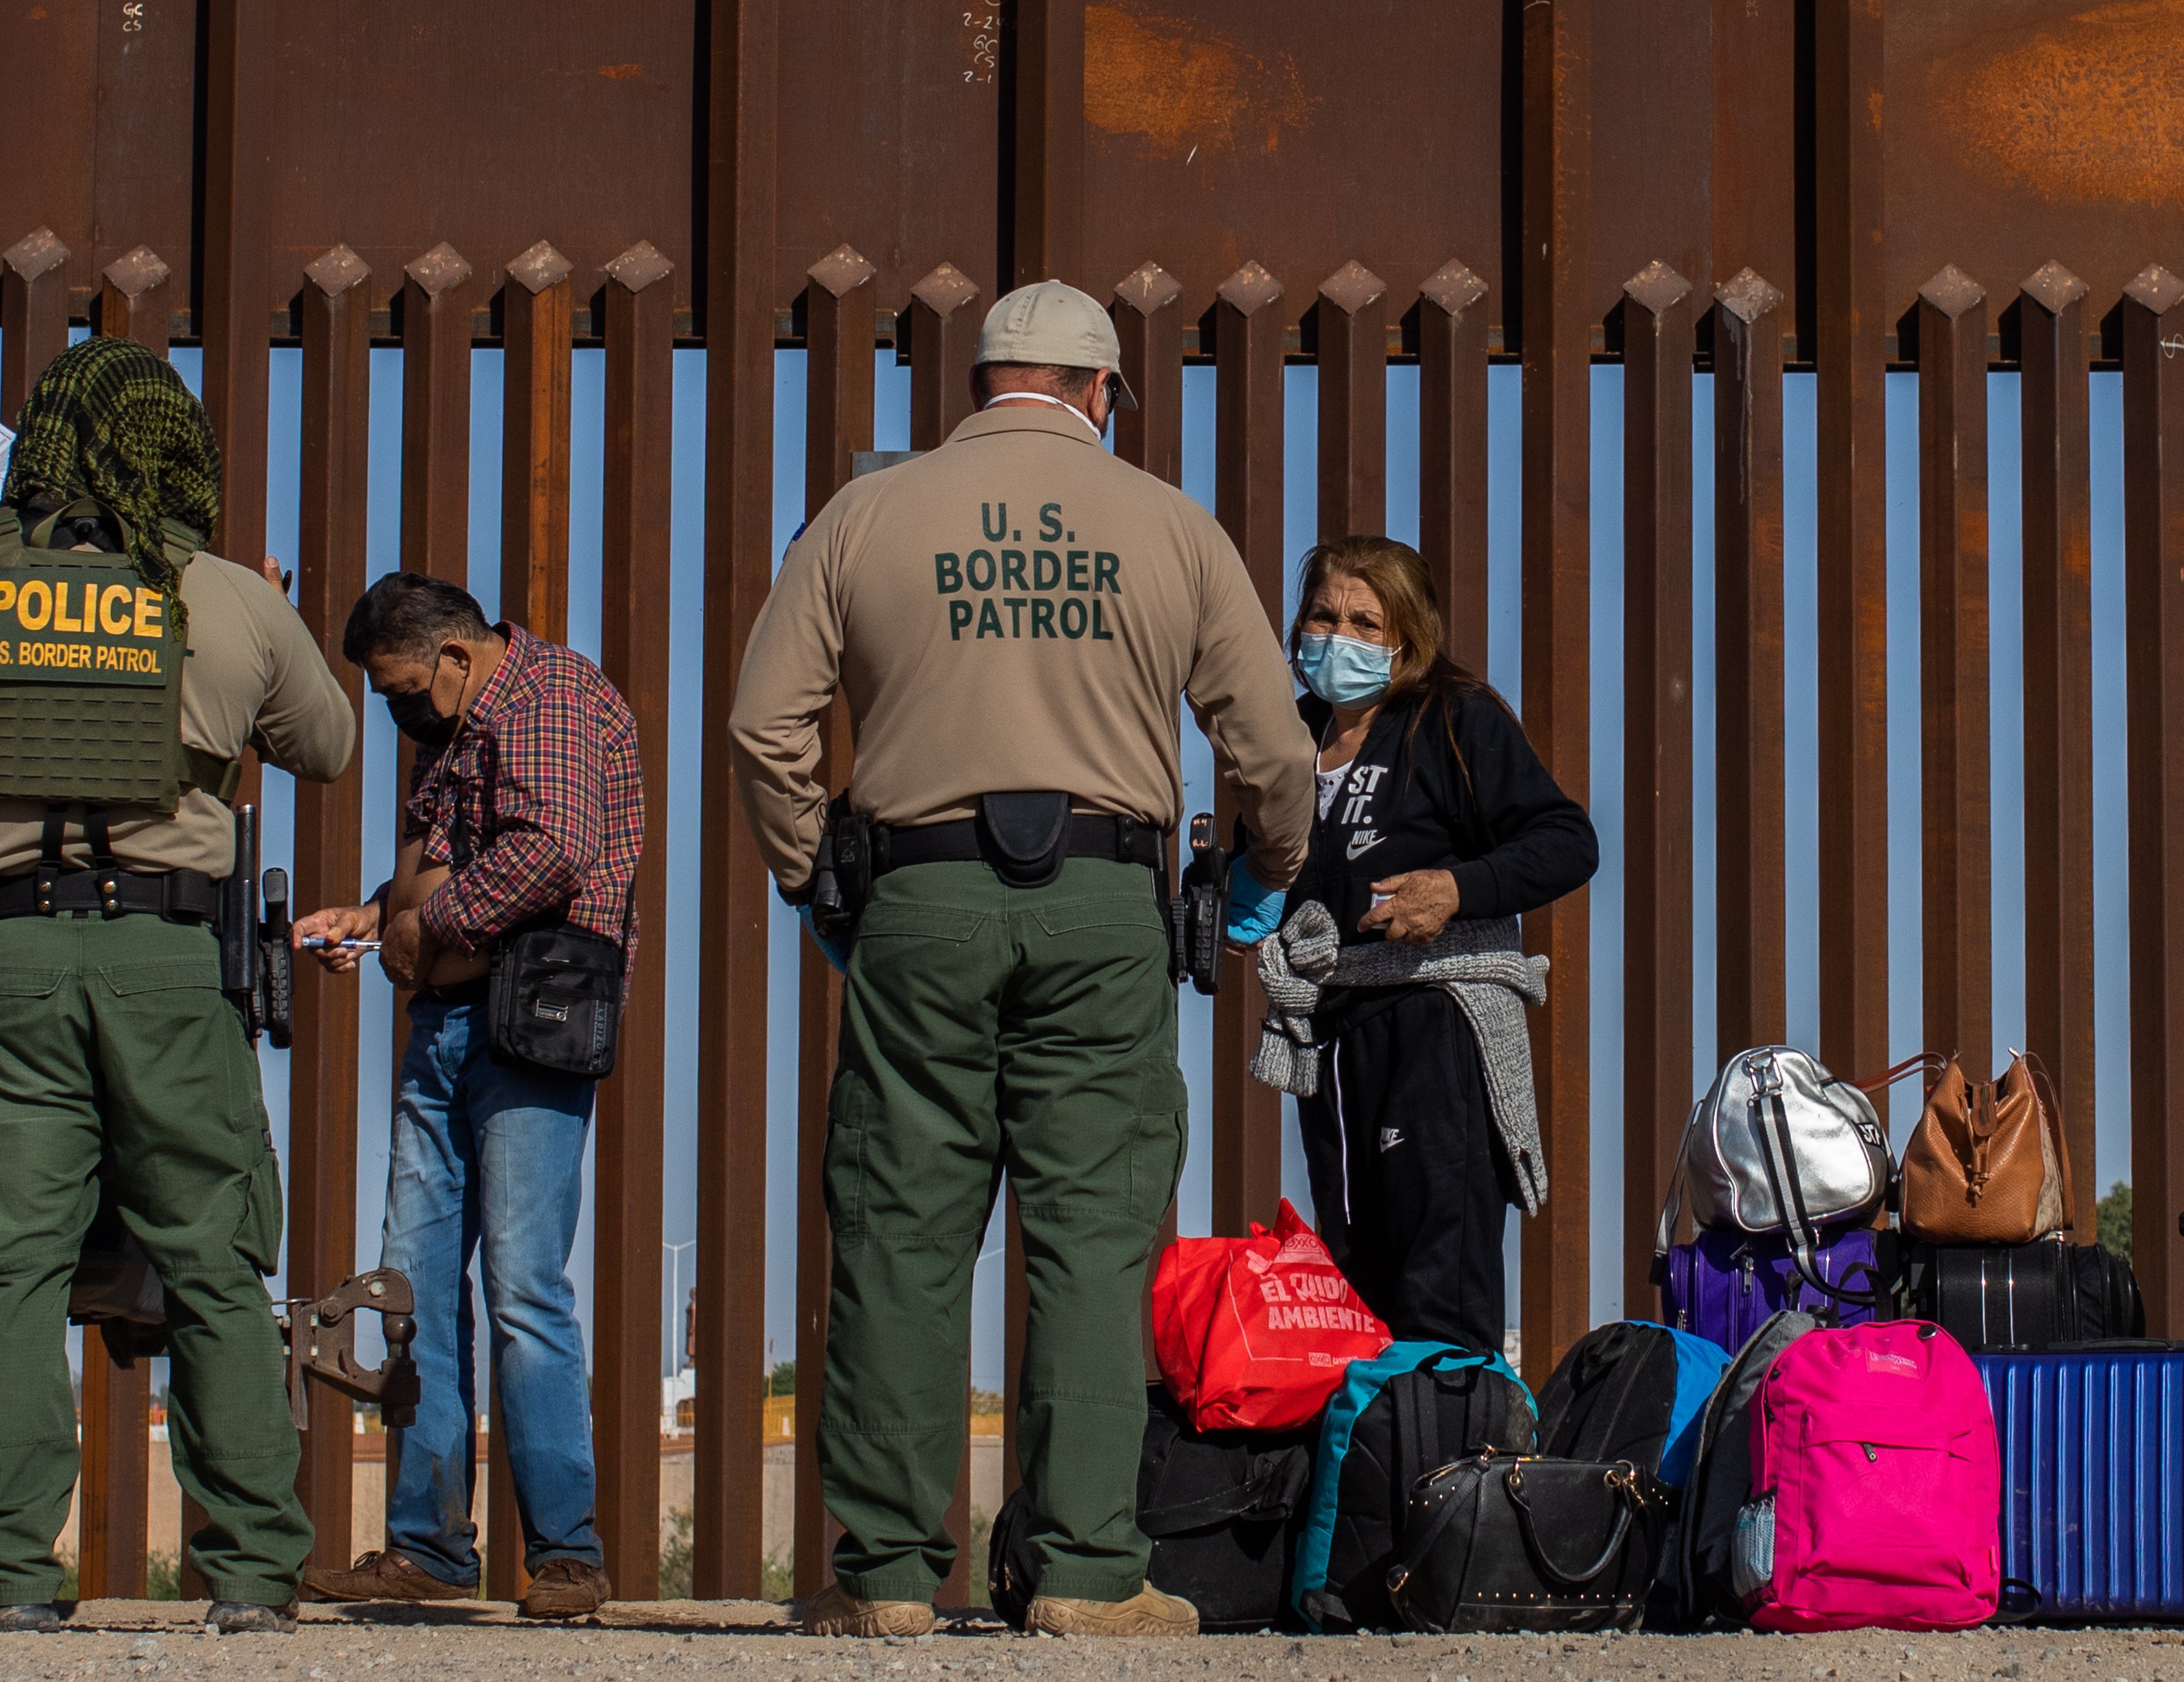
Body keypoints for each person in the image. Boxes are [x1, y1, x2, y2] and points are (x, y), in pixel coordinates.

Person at [725, 278, 1315, 1640]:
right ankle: (1086, 1572)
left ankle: (881, 1577)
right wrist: (1258, 876)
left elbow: (767, 726)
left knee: (898, 1233)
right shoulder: (1169, 525)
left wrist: (817, 871)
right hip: (1107, 908)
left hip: (914, 899)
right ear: (1101, 392)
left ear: (981, 382)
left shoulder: (865, 514)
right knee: (1097, 1240)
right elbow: (1272, 752)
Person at [0, 335, 357, 1634]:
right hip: (173, 961)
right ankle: (251, 1576)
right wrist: (261, 609)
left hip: (13, 962)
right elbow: (325, 741)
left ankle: (5, 1576)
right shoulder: (223, 598)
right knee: (216, 1263)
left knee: (13, 1268)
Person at [289, 571, 642, 1620]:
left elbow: (551, 851)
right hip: (448, 1021)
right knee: (416, 1286)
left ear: (454, 654)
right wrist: (373, 915)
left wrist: (425, 929)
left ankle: (566, 1552)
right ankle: (428, 1546)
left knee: (526, 1287)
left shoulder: (552, 701)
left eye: (404, 689)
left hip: (526, 1018)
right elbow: (449, 861)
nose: (399, 711)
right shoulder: (457, 727)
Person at [1247, 534, 1598, 1353]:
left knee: (1437, 1279)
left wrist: (1453, 890)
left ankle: (1451, 1463)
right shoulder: (1289, 737)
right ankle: (1369, 1467)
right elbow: (1262, 868)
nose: (1341, 637)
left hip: (1434, 1027)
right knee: (1349, 1283)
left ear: (1408, 639)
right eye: (1324, 617)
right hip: (1331, 1037)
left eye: (1367, 623)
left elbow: (1567, 840)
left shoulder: (1452, 718)